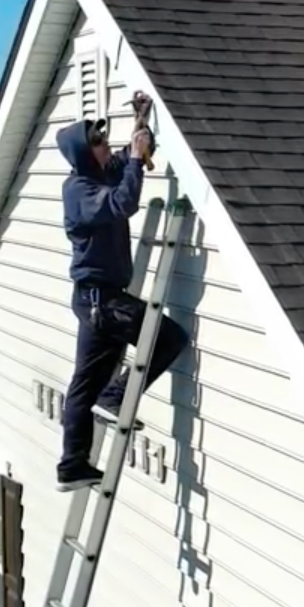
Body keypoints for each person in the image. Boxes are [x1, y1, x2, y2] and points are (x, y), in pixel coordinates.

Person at [54, 110, 190, 492]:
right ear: (83, 153)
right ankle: (116, 396)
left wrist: (140, 119)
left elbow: (124, 160)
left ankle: (72, 466)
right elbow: (123, 202)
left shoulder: (97, 174)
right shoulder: (80, 190)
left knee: (83, 385)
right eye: (97, 141)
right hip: (102, 301)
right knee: (169, 338)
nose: (105, 144)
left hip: (95, 300)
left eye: (102, 137)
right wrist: (134, 159)